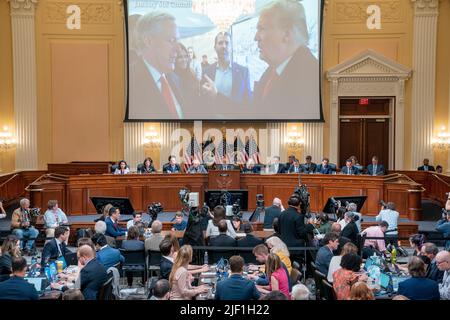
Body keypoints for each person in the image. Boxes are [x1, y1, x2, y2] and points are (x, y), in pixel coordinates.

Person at [253, 0, 319, 119]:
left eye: (261, 29)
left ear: (286, 35)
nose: (256, 37)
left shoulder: (311, 76)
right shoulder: (272, 72)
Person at [129, 12, 188, 120]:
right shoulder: (128, 82)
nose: (178, 49)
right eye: (171, 40)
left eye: (178, 41)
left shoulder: (176, 79)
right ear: (148, 41)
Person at [202, 31, 251, 115]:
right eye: (220, 43)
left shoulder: (243, 72)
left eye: (227, 43)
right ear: (215, 47)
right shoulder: (207, 72)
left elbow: (248, 103)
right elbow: (203, 102)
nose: (224, 46)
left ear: (231, 47)